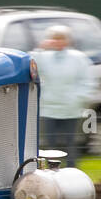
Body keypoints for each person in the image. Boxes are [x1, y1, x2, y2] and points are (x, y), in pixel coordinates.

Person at [32, 24, 97, 168]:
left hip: (70, 109)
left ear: (67, 40)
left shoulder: (78, 58)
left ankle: (73, 172)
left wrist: (77, 98)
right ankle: (51, 175)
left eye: (61, 38)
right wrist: (40, 48)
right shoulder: (43, 57)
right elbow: (31, 65)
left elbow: (88, 81)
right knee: (50, 144)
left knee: (71, 142)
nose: (58, 41)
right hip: (49, 108)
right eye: (54, 38)